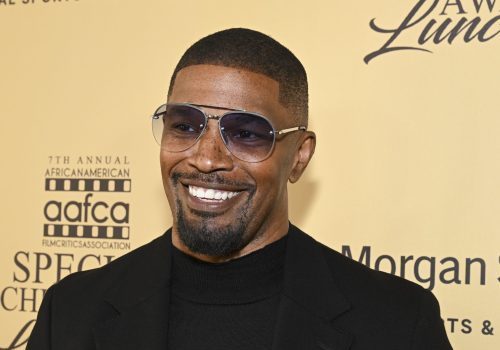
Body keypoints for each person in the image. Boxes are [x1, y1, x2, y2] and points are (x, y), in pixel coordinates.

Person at [27, 28, 452, 350]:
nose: (207, 158)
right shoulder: (70, 313)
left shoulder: (397, 323)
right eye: (184, 126)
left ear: (299, 157)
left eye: (247, 134)